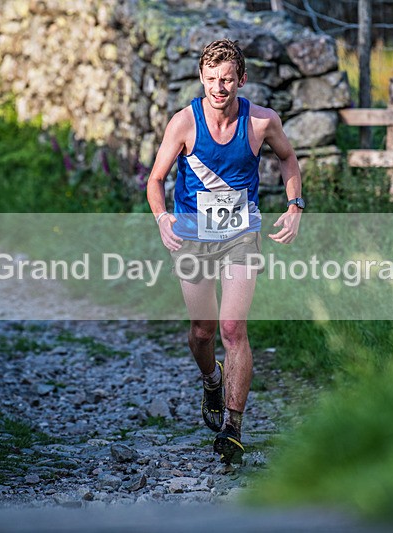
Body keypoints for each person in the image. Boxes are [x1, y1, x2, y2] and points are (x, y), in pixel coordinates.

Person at [146, 38, 304, 464]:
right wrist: (163, 219)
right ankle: (211, 380)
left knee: (233, 328)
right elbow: (155, 180)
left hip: (240, 236)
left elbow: (289, 160)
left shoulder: (262, 121)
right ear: (202, 78)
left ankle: (233, 428)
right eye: (212, 79)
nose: (219, 88)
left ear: (241, 80)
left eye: (228, 80)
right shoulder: (184, 123)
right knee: (203, 331)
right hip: (194, 236)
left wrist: (294, 206)